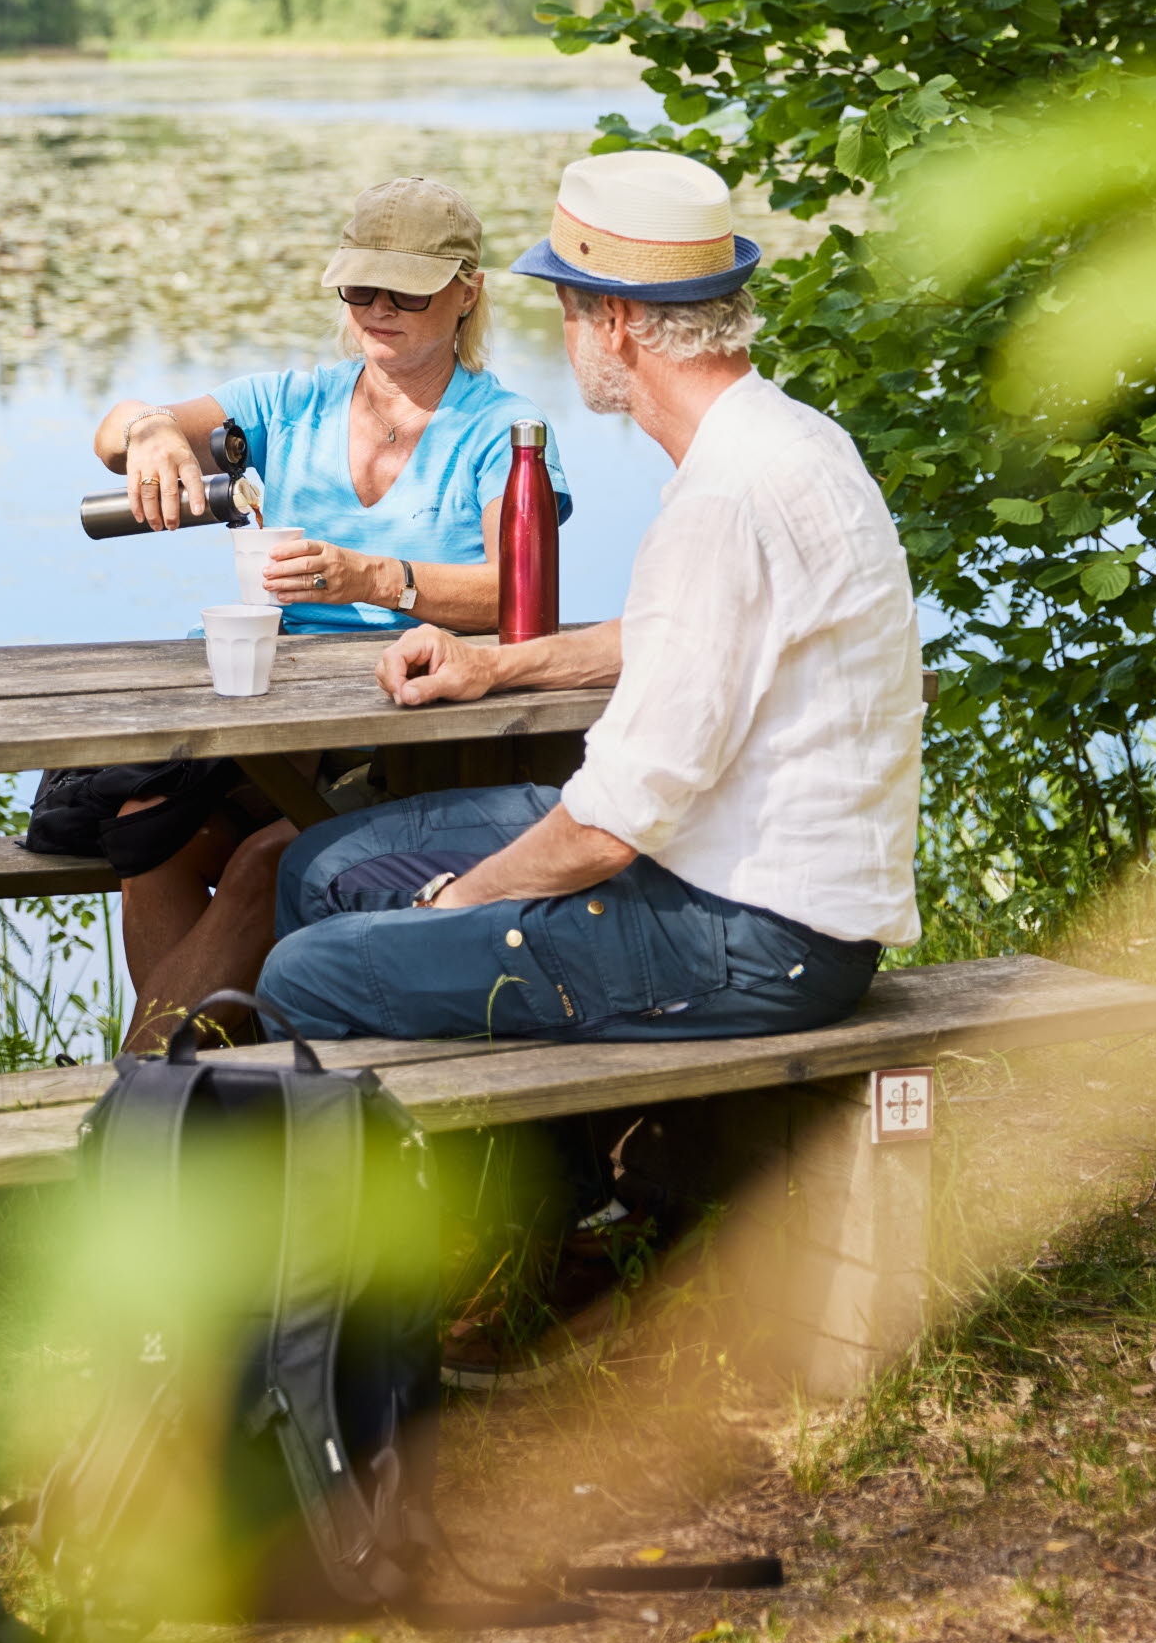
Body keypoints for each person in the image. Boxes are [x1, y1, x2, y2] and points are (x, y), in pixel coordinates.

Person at [256, 145, 924, 1054]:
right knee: (320, 865)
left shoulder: (726, 499)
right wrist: (495, 663)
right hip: (713, 870)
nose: (562, 340)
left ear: (612, 320)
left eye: (566, 312)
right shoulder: (788, 439)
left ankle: (500, 1189)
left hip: (750, 930)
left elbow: (610, 825)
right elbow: (686, 637)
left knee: (308, 974)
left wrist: (458, 903)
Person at [26, 175, 572, 1053]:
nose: (379, 309)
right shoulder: (290, 402)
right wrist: (155, 433)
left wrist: (374, 578)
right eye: (360, 288)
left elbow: (519, 595)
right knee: (151, 832)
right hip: (273, 713)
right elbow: (112, 427)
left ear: (467, 291)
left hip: (416, 726)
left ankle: (142, 1095)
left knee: (262, 863)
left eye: (407, 290)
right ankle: (223, 1084)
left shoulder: (501, 426)